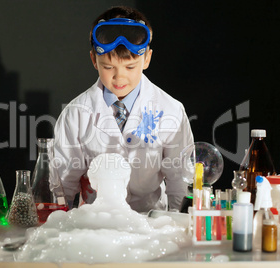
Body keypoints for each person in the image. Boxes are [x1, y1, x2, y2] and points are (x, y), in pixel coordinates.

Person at [53, 6, 194, 213]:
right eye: (108, 67)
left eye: (130, 67)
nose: (119, 78)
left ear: (146, 59)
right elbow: (62, 185)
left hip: (153, 223)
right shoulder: (76, 113)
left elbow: (180, 181)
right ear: (94, 60)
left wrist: (175, 226)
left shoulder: (171, 110)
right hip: (95, 223)